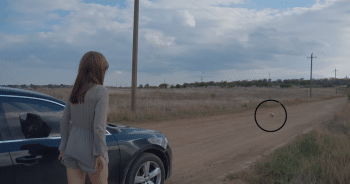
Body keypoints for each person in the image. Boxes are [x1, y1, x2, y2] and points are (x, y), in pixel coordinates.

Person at [57, 51, 110, 184]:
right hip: (92, 150)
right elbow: (98, 128)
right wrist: (100, 153)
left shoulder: (75, 91)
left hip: (72, 147)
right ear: (99, 70)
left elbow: (64, 121)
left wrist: (63, 148)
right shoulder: (101, 92)